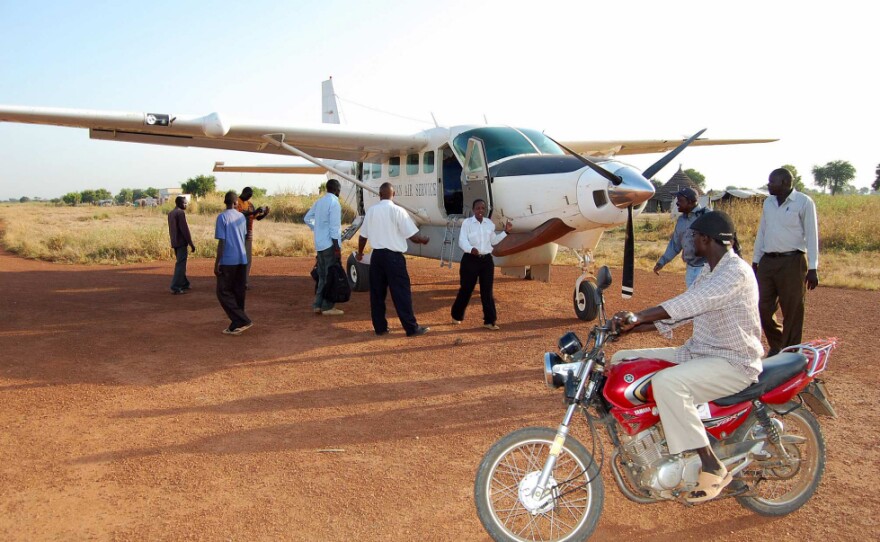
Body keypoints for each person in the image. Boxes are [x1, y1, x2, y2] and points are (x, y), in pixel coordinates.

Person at [610, 211, 762, 503]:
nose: (688, 242)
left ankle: (711, 465)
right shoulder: (709, 271)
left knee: (668, 383)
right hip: (698, 353)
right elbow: (680, 316)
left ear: (706, 239)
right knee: (622, 359)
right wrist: (629, 329)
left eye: (692, 237)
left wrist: (638, 315)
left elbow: (691, 302)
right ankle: (655, 437)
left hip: (734, 362)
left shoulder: (735, 272)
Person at [752, 167, 819, 357]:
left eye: (772, 181)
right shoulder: (768, 203)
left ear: (785, 182)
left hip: (793, 261)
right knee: (762, 306)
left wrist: (813, 267)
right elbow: (762, 231)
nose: (768, 185)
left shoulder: (803, 202)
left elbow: (812, 235)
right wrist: (756, 260)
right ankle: (778, 344)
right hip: (768, 261)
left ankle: (790, 353)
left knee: (793, 310)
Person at [356, 182, 430, 337]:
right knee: (401, 293)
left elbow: (363, 237)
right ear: (394, 194)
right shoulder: (398, 211)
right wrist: (423, 240)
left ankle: (380, 328)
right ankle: (411, 328)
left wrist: (360, 253)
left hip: (377, 257)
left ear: (380, 195)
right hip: (394, 258)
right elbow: (413, 236)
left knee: (377, 294)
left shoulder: (371, 211)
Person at [450, 199, 512, 330]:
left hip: (486, 261)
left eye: (483, 208)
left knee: (487, 291)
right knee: (466, 289)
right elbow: (462, 241)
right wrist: (470, 249)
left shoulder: (489, 224)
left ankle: (489, 321)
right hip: (470, 260)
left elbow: (493, 241)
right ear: (473, 210)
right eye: (478, 208)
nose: (480, 211)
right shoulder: (467, 223)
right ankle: (456, 315)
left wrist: (505, 232)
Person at [653, 187, 708, 288]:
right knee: (692, 296)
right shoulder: (681, 220)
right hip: (690, 269)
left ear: (690, 202)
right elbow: (675, 244)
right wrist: (662, 262)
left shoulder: (707, 217)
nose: (677, 203)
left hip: (706, 269)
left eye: (680, 201)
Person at [304, 178, 344, 316]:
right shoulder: (334, 203)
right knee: (331, 276)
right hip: (329, 244)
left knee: (322, 276)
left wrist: (317, 229)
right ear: (337, 189)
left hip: (320, 244)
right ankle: (327, 306)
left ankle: (317, 304)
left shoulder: (320, 201)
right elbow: (334, 228)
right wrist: (337, 248)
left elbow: (307, 218)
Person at [215, 191, 252, 335]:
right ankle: (236, 323)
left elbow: (222, 242)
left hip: (228, 260)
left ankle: (242, 320)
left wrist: (217, 262)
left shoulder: (222, 217)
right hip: (242, 259)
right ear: (236, 202)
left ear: (225, 202)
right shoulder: (241, 217)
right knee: (238, 291)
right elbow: (244, 236)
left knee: (223, 291)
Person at [235, 187, 270, 289]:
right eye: (248, 195)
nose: (249, 197)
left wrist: (265, 214)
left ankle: (244, 283)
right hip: (238, 234)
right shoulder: (236, 202)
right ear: (243, 192)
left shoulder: (250, 205)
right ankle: (237, 282)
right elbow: (239, 215)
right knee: (238, 259)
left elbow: (256, 217)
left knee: (248, 259)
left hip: (248, 234)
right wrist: (253, 212)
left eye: (250, 196)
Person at [167, 195, 195, 294]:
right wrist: (191, 243)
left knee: (180, 262)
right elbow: (185, 230)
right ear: (179, 203)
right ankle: (176, 286)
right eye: (185, 203)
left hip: (174, 241)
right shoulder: (180, 213)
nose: (186, 205)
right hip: (181, 242)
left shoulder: (171, 213)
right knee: (181, 264)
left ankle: (184, 283)